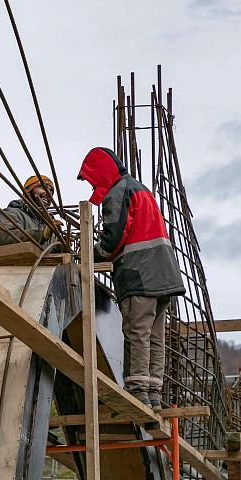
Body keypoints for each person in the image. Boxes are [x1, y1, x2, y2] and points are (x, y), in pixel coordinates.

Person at [77, 147, 185, 412]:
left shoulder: (118, 191)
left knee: (137, 333)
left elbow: (115, 234)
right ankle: (153, 394)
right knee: (155, 335)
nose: (93, 186)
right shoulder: (141, 189)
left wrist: (92, 253)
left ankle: (137, 392)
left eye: (92, 180)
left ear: (100, 172)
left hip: (139, 274)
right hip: (164, 274)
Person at [0, 175, 62, 249]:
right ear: (28, 191)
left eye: (51, 191)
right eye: (43, 188)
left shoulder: (48, 226)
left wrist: (60, 248)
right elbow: (4, 237)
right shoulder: (12, 213)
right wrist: (41, 235)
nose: (48, 193)